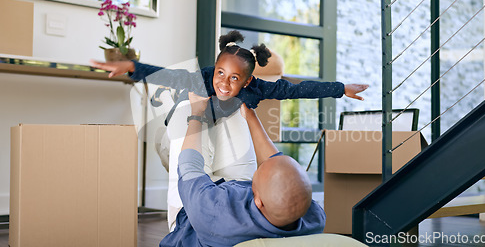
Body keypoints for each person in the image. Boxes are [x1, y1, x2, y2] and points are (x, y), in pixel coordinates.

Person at [91, 30, 368, 229]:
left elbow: (298, 89)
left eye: (234, 78)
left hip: (223, 133)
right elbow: (167, 75)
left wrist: (341, 89)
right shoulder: (201, 79)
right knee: (196, 134)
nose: (224, 83)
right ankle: (180, 219)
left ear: (247, 82)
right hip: (184, 130)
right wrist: (131, 67)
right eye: (220, 73)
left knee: (238, 124)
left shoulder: (258, 89)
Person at [159, 91, 325, 247]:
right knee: (233, 109)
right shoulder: (314, 216)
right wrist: (250, 115)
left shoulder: (214, 214)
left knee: (185, 110)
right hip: (233, 191)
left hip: (192, 212)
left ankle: (164, 99)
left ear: (258, 200)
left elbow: (189, 166)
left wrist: (196, 115)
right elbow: (277, 162)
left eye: (259, 171)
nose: (263, 162)